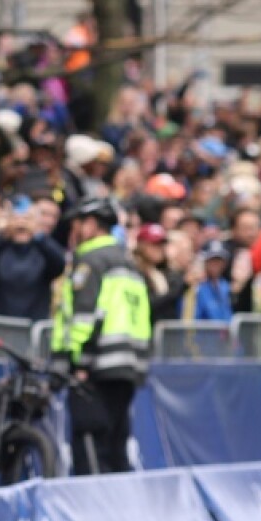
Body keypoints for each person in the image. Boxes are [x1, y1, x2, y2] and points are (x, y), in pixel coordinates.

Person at [51, 197, 151, 476]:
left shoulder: (91, 260)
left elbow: (86, 316)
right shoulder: (128, 263)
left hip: (96, 366)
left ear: (92, 225)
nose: (74, 232)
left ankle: (92, 509)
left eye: (77, 225)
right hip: (127, 366)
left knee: (90, 440)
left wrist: (80, 362)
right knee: (116, 442)